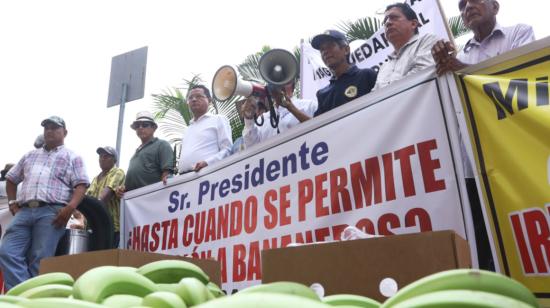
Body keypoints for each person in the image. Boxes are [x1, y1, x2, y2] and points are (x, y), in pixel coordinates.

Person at [0, 116, 89, 290]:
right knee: (7, 252)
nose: (49, 131)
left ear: (65, 132)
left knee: (39, 259)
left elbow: (81, 185)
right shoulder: (30, 155)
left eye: (55, 128)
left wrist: (70, 208)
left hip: (52, 211)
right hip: (24, 210)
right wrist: (12, 202)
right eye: (46, 127)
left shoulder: (73, 157)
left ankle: (27, 299)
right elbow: (11, 179)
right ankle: (25, 295)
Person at [432, 0, 535, 75]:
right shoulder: (460, 57)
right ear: (463, 20)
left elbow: (524, 75)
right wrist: (442, 64)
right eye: (462, 6)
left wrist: (465, 70)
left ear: (495, 7)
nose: (468, 6)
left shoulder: (519, 33)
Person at [310, 29, 377, 117]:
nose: (325, 52)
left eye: (330, 46)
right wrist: (291, 107)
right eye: (322, 49)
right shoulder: (323, 95)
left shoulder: (367, 76)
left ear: (346, 49)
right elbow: (317, 126)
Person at [373, 3, 439, 90]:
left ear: (413, 24)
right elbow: (375, 94)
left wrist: (385, 95)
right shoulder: (384, 67)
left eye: (394, 17)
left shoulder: (427, 41)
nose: (387, 23)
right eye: (385, 21)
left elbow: (423, 75)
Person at [241, 80, 317, 148]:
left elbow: (321, 131)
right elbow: (251, 147)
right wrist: (248, 119)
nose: (280, 85)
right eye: (275, 81)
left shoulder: (308, 106)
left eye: (285, 81)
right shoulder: (262, 119)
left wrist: (291, 108)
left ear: (292, 88)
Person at [178, 85, 233, 173]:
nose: (194, 99)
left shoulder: (218, 119)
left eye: (199, 96)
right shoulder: (188, 129)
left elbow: (227, 150)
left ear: (210, 100)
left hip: (208, 175)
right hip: (185, 180)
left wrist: (207, 163)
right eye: (190, 98)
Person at [118, 111, 174, 193]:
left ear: (153, 128)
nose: (140, 128)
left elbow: (167, 173)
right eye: (137, 126)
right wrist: (122, 189)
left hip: (152, 198)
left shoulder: (161, 145)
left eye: (145, 125)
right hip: (134, 200)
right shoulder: (136, 152)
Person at [87, 146, 125, 246]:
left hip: (112, 226)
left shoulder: (118, 172)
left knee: (108, 258)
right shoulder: (95, 178)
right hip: (95, 226)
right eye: (100, 156)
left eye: (106, 156)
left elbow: (105, 196)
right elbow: (87, 198)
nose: (102, 158)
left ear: (114, 160)